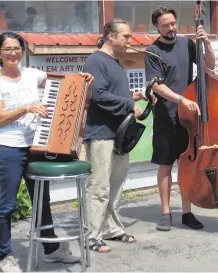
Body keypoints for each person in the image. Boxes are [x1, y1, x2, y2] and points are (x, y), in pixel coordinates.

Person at [0, 32, 94, 272]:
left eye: (17, 48)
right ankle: (5, 255)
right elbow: (0, 118)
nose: (13, 53)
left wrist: (81, 80)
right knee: (6, 204)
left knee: (42, 202)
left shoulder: (33, 74)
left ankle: (51, 250)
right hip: (7, 149)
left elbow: (63, 85)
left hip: (36, 147)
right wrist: (28, 108)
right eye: (8, 49)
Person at [82, 18, 152, 253]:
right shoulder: (96, 61)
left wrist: (137, 96)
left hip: (120, 134)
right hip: (102, 134)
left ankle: (112, 229)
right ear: (110, 36)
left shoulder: (117, 63)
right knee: (99, 187)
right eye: (126, 37)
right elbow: (99, 96)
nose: (129, 42)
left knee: (116, 185)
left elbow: (117, 96)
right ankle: (92, 236)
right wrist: (128, 104)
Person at [144, 6, 216, 231]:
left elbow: (209, 67)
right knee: (165, 165)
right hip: (166, 115)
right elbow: (156, 84)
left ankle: (187, 212)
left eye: (173, 23)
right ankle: (166, 213)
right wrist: (180, 100)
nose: (171, 28)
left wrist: (208, 45)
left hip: (189, 116)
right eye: (165, 25)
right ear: (156, 26)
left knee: (187, 164)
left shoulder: (186, 43)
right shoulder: (152, 51)